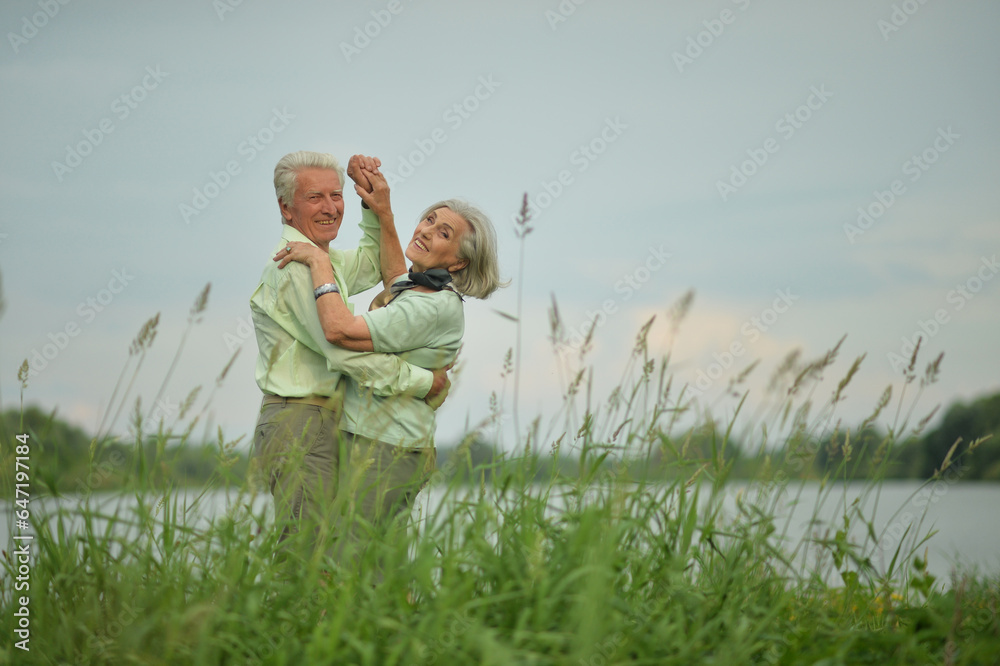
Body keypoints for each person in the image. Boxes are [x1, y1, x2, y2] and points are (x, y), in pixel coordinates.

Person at [274, 160, 503, 575]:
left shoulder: (432, 306)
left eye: (443, 234)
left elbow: (340, 331)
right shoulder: (414, 287)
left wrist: (320, 263)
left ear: (457, 264)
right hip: (371, 438)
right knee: (369, 559)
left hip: (388, 446)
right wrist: (381, 208)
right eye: (429, 220)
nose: (427, 231)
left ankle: (384, 633)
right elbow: (394, 270)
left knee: (356, 564)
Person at [250, 150, 451, 565]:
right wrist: (423, 382)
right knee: (306, 558)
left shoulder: (320, 260)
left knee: (332, 558)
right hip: (299, 420)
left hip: (326, 421)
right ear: (285, 208)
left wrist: (369, 200)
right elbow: (342, 350)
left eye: (336, 195)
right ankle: (287, 631)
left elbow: (372, 261)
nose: (329, 208)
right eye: (314, 198)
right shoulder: (296, 265)